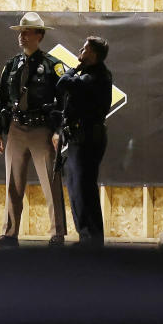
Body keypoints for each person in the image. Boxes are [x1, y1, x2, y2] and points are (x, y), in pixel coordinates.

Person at [0, 12, 67, 248]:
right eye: (20, 33)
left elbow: (63, 102)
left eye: (27, 32)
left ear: (39, 36)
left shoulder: (53, 66)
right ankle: (9, 234)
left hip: (42, 129)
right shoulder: (11, 65)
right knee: (13, 184)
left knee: (51, 182)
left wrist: (57, 131)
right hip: (16, 128)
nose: (21, 37)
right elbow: (1, 100)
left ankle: (57, 234)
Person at [56, 36, 112, 247]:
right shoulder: (89, 74)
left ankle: (92, 239)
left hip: (88, 138)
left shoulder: (97, 76)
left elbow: (63, 83)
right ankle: (85, 236)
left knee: (84, 188)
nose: (81, 49)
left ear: (94, 55)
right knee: (76, 186)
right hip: (79, 138)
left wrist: (73, 68)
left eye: (85, 48)